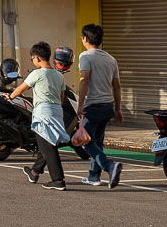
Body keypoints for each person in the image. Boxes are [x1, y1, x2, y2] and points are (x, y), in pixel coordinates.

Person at [11, 42, 69, 191]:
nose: (33, 62)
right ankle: (34, 172)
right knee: (48, 143)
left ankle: (58, 180)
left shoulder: (36, 74)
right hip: (57, 111)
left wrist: (9, 97)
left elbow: (20, 88)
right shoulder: (58, 75)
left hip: (43, 112)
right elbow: (62, 96)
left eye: (32, 59)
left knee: (46, 146)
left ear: (36, 58)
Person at [77, 23, 124, 188]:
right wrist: (118, 109)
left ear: (86, 39)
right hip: (107, 107)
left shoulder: (85, 56)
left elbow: (84, 80)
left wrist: (80, 105)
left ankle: (109, 166)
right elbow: (116, 85)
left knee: (85, 142)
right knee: (98, 141)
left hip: (93, 106)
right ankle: (94, 176)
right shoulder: (111, 59)